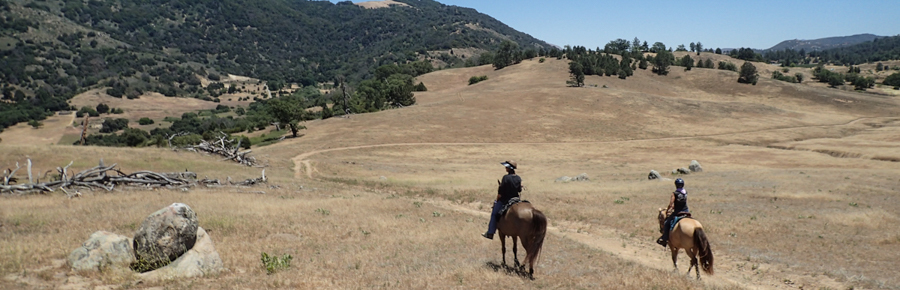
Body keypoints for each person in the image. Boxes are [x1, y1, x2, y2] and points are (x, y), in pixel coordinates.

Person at [482, 160, 522, 240]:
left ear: (509, 168)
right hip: (516, 200)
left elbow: (500, 192)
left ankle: (490, 233)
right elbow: (519, 190)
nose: (505, 168)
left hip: (505, 200)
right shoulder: (518, 178)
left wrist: (497, 201)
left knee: (494, 214)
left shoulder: (505, 178)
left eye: (506, 167)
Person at [657, 178, 689, 247]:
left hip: (678, 212)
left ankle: (664, 239)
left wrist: (668, 209)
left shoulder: (674, 193)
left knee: (666, 223)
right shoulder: (685, 192)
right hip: (686, 211)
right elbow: (682, 202)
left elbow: (671, 204)